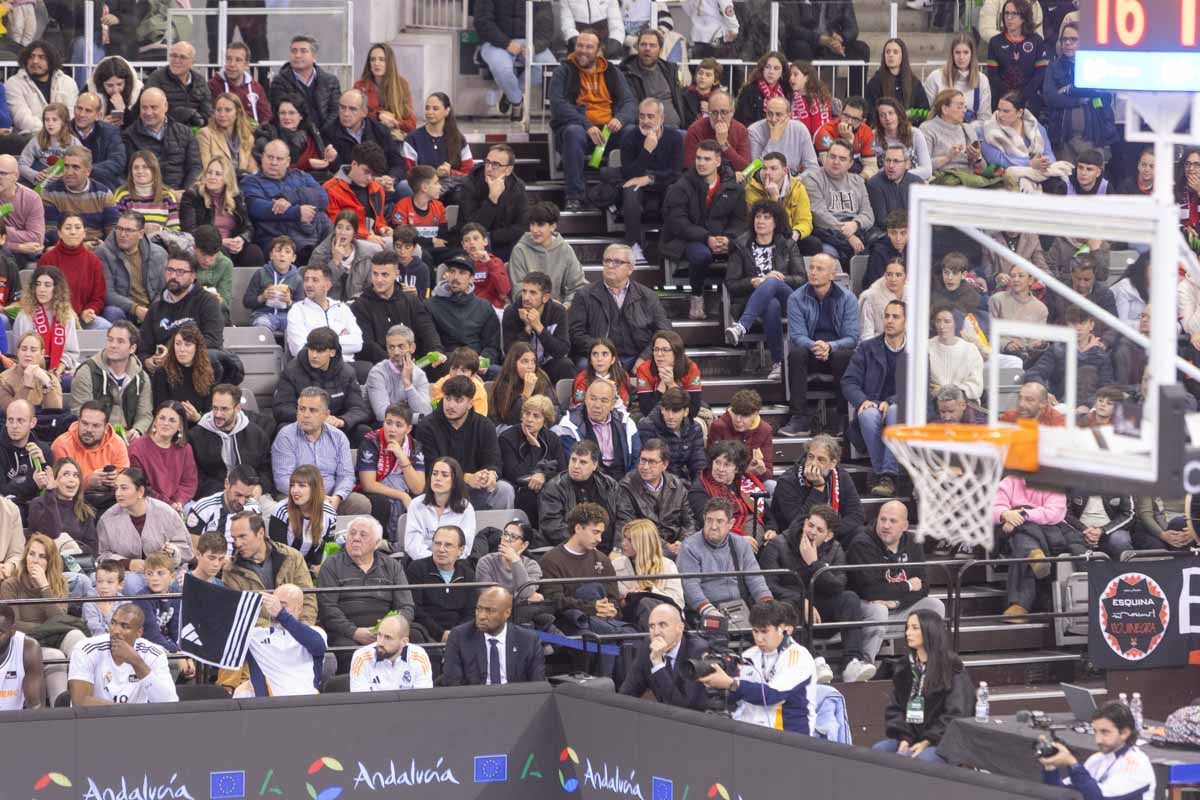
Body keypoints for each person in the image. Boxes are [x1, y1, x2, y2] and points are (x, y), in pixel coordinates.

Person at [761, 505, 877, 682]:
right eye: (810, 525)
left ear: (828, 535)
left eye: (819, 529)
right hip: (790, 609)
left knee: (850, 598)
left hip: (821, 612)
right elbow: (769, 585)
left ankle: (852, 663)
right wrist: (802, 600)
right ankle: (812, 661)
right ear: (805, 523)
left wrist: (814, 563)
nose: (812, 531)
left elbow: (839, 585)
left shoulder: (835, 549)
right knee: (789, 606)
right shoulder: (778, 544)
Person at [697, 599, 817, 735]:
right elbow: (736, 696)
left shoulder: (798, 655)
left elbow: (773, 695)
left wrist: (731, 683)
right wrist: (714, 682)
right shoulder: (749, 654)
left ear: (782, 628)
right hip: (749, 735)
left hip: (788, 738)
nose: (759, 638)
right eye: (755, 631)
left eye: (765, 631)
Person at [848, 501, 946, 667]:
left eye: (893, 521)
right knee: (879, 609)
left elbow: (923, 586)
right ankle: (863, 665)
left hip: (898, 606)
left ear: (905, 525)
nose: (886, 525)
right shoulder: (862, 543)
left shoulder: (913, 544)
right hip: (866, 608)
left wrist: (897, 602)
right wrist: (907, 586)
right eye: (882, 519)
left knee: (935, 606)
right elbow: (871, 591)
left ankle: (928, 663)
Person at [548, 31, 637, 211]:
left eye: (589, 47)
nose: (583, 50)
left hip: (607, 133)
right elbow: (558, 105)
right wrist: (586, 125)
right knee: (574, 131)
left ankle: (627, 192)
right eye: (580, 45)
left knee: (631, 132)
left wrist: (620, 119)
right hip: (578, 131)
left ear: (598, 51)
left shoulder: (612, 71)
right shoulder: (563, 70)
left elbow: (629, 102)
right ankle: (574, 195)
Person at [660, 139, 747, 321]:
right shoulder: (681, 186)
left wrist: (728, 240)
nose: (701, 163)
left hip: (722, 240)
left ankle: (735, 308)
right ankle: (697, 296)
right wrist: (707, 238)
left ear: (718, 161)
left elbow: (739, 222)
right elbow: (678, 223)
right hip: (688, 239)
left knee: (745, 253)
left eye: (707, 159)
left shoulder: (733, 188)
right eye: (698, 158)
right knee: (701, 256)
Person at [874, 609, 975, 762]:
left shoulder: (952, 668)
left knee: (923, 761)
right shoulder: (904, 667)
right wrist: (904, 738)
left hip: (942, 742)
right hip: (910, 737)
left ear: (930, 631)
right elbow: (895, 708)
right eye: (907, 627)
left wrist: (927, 741)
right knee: (878, 752)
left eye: (915, 628)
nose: (908, 633)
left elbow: (956, 714)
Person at [724, 198, 808, 380]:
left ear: (776, 222)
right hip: (752, 300)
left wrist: (781, 278)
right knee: (771, 305)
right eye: (758, 217)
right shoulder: (741, 245)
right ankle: (778, 363)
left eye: (766, 217)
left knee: (771, 282)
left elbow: (802, 280)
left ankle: (741, 327)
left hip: (789, 298)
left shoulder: (787, 244)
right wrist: (752, 282)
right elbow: (731, 284)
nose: (760, 221)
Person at [539, 502, 627, 675]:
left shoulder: (602, 559)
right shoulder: (551, 560)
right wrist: (592, 608)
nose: (600, 539)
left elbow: (613, 597)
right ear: (578, 528)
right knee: (598, 636)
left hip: (605, 620)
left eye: (601, 533)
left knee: (632, 636)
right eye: (595, 532)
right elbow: (554, 600)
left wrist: (610, 609)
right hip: (569, 622)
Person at [780, 253, 859, 437]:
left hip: (835, 352)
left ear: (832, 275)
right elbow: (798, 335)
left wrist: (830, 346)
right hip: (810, 351)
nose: (813, 272)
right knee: (796, 353)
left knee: (844, 355)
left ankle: (843, 416)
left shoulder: (848, 299)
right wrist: (816, 346)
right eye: (812, 268)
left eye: (819, 269)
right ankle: (799, 417)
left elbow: (852, 337)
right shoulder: (796, 298)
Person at [0, 534, 87, 695]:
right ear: (25, 556)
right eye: (31, 554)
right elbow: (14, 625)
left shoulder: (58, 583)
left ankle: (85, 702)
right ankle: (58, 710)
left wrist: (44, 588)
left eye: (42, 556)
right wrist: (50, 628)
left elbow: (61, 620)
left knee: (76, 636)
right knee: (55, 656)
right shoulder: (10, 585)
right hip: (28, 643)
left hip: (56, 636)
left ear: (50, 561)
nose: (35, 560)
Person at [415, 375, 513, 511]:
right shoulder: (427, 426)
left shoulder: (484, 426)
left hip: (477, 487)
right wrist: (466, 478)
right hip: (442, 488)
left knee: (504, 489)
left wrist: (489, 475)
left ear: (470, 403)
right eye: (447, 398)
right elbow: (431, 468)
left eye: (458, 400)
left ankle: (497, 531)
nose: (450, 405)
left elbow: (494, 461)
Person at [271, 387, 372, 517]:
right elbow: (283, 479)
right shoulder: (285, 436)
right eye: (302, 409)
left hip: (331, 497)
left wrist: (337, 497)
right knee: (288, 505)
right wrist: (316, 497)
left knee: (360, 503)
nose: (305, 415)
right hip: (298, 496)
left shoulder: (338, 437)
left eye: (312, 410)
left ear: (326, 415)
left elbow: (346, 476)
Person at [569, 243, 672, 367]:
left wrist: (645, 357)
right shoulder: (584, 295)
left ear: (630, 268)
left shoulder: (647, 296)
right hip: (599, 355)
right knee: (584, 365)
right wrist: (603, 354)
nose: (610, 266)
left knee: (660, 365)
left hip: (636, 355)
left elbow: (664, 331)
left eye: (617, 262)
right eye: (607, 261)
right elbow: (576, 334)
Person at [842, 299, 906, 497]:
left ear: (906, 322)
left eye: (895, 317)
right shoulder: (867, 348)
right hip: (874, 407)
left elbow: (919, 387)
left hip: (903, 410)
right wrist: (862, 400)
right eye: (886, 316)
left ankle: (885, 474)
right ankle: (884, 474)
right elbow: (849, 381)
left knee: (895, 411)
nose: (889, 320)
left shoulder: (916, 351)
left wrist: (893, 400)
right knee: (867, 414)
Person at [273, 326, 371, 446]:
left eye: (319, 351)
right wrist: (313, 419)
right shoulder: (291, 370)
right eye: (311, 349)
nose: (313, 355)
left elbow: (359, 409)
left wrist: (342, 420)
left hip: (334, 426)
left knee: (363, 432)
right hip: (303, 424)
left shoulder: (347, 373)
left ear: (332, 352)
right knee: (283, 429)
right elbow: (281, 408)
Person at [1040, 701, 1157, 800]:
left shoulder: (1138, 764)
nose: (1097, 740)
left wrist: (1072, 764)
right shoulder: (1097, 759)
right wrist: (1050, 766)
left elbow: (1098, 797)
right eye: (1095, 731)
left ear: (1125, 733)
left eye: (1105, 732)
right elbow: (1061, 793)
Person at [678, 497, 774, 619]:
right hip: (704, 611)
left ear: (731, 524)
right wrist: (709, 611)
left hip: (739, 607)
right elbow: (690, 586)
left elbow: (755, 579)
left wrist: (768, 605)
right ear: (704, 519)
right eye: (709, 520)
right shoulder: (689, 547)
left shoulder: (741, 544)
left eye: (719, 521)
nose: (713, 526)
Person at [994, 475, 1074, 618]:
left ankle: (1020, 605)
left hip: (1044, 532)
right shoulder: (1009, 482)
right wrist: (1005, 514)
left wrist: (1023, 515)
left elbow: (1055, 513)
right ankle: (1035, 557)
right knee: (1019, 535)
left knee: (1021, 535)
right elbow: (993, 508)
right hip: (1010, 534)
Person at [67, 604, 177, 705]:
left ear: (139, 632)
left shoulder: (153, 653)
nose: (115, 631)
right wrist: (123, 712)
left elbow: (169, 702)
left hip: (136, 723)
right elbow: (80, 701)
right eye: (113, 623)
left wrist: (137, 663)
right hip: (95, 721)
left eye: (124, 626)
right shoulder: (86, 649)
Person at [242, 139, 332, 262]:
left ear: (288, 161)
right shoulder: (251, 181)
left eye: (279, 159)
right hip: (275, 238)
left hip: (310, 234)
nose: (273, 162)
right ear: (262, 157)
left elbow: (323, 197)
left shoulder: (301, 176)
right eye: (270, 157)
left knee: (327, 222)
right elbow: (257, 208)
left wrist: (290, 198)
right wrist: (297, 212)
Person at [618, 98, 684, 264]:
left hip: (663, 187)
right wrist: (647, 150)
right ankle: (633, 245)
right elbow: (628, 174)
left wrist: (650, 178)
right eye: (641, 116)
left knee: (675, 190)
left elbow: (676, 173)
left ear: (661, 119)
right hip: (638, 189)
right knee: (630, 190)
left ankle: (668, 246)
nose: (645, 121)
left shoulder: (675, 138)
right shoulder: (629, 137)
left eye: (650, 116)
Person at [233, 583, 327, 699]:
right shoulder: (254, 635)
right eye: (273, 604)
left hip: (307, 704)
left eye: (282, 605)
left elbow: (317, 646)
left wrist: (281, 614)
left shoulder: (316, 632)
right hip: (269, 708)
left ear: (299, 608)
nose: (274, 609)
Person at [223, 511, 317, 626]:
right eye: (234, 538)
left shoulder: (293, 557)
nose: (237, 543)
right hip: (258, 638)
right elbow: (239, 612)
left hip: (296, 631)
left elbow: (308, 598)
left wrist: (302, 628)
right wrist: (274, 630)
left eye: (242, 536)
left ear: (260, 533)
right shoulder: (231, 571)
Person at [353, 252, 442, 369]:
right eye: (375, 274)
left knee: (446, 361)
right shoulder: (360, 306)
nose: (379, 280)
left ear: (396, 274)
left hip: (416, 363)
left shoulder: (411, 300)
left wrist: (435, 350)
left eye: (385, 275)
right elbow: (368, 346)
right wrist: (396, 364)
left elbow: (426, 328)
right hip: (382, 366)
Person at [442, 586, 547, 685]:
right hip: (475, 701)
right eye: (479, 609)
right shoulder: (459, 636)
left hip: (514, 700)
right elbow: (453, 683)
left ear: (507, 613)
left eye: (490, 611)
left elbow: (537, 686)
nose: (481, 616)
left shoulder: (528, 640)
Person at [97, 466, 193, 571]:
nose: (118, 493)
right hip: (126, 575)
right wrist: (127, 564)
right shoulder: (107, 519)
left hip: (166, 573)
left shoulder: (166, 513)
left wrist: (174, 552)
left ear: (140, 491)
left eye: (124, 488)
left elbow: (187, 550)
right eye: (116, 488)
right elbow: (102, 555)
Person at [190, 384, 273, 498]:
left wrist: (260, 486)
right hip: (214, 496)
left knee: (276, 512)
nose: (218, 414)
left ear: (237, 408)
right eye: (215, 408)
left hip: (251, 495)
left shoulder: (257, 434)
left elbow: (266, 469)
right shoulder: (196, 436)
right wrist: (226, 492)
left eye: (224, 409)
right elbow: (194, 475)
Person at [619, 603, 708, 710]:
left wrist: (657, 663)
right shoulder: (648, 646)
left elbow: (681, 707)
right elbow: (627, 693)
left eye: (662, 625)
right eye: (652, 626)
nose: (656, 632)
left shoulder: (697, 650)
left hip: (697, 721)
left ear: (679, 628)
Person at [688, 439, 774, 548]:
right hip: (720, 539)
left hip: (754, 534)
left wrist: (772, 529)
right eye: (717, 462)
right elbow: (708, 523)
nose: (720, 469)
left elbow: (767, 513)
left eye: (727, 465)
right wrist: (737, 539)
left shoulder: (746, 483)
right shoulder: (700, 489)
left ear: (737, 468)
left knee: (775, 545)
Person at [614, 437, 695, 553]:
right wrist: (666, 546)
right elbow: (628, 526)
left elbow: (689, 522)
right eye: (643, 460)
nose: (645, 467)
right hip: (644, 548)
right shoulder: (627, 487)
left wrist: (683, 543)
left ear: (665, 465)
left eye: (652, 462)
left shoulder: (677, 485)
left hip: (677, 546)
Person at [180, 156, 262, 267]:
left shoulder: (236, 197)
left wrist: (241, 239)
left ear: (227, 178)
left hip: (232, 247)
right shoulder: (192, 196)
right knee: (220, 252)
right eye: (209, 172)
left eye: (218, 174)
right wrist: (221, 242)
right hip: (206, 248)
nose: (212, 177)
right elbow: (189, 232)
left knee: (254, 252)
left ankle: (250, 284)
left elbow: (248, 227)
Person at [802, 140, 874, 267]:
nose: (836, 162)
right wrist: (848, 235)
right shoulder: (812, 178)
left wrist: (855, 224)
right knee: (828, 260)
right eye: (832, 156)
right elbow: (819, 215)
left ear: (850, 163)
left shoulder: (857, 181)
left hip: (855, 230)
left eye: (842, 159)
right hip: (827, 234)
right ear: (825, 157)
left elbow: (868, 214)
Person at [553, 377, 641, 481]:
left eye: (604, 401)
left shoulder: (627, 424)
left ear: (613, 405)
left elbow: (636, 460)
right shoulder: (569, 426)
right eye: (593, 399)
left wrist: (626, 485)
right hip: (588, 483)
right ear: (585, 399)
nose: (597, 405)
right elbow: (575, 466)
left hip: (623, 482)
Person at [539, 439, 618, 550]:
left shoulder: (609, 485)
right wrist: (582, 542)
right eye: (573, 460)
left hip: (609, 548)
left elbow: (622, 518)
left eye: (583, 462)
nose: (576, 466)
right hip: (573, 548)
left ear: (594, 465)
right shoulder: (555, 487)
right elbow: (552, 526)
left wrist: (617, 548)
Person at [320, 91, 406, 193]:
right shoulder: (329, 132)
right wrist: (372, 180)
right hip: (351, 189)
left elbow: (398, 164)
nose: (346, 114)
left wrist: (390, 179)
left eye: (352, 109)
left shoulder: (380, 131)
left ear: (364, 112)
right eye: (342, 108)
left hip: (383, 186)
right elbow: (340, 171)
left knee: (405, 188)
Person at [498, 394, 563, 526]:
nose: (529, 419)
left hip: (547, 487)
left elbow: (562, 470)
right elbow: (515, 474)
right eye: (527, 414)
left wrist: (543, 475)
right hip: (520, 489)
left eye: (536, 416)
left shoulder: (552, 438)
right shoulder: (507, 438)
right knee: (530, 495)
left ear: (545, 420)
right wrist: (534, 448)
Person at [51, 401, 130, 509]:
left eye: (96, 426)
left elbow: (127, 484)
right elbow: (59, 488)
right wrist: (88, 482)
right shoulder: (61, 445)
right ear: (78, 422)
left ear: (106, 428)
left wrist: (115, 481)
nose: (88, 430)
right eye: (84, 423)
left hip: (110, 499)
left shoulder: (117, 443)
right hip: (74, 501)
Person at [406, 525, 478, 643]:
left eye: (448, 545)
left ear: (460, 550)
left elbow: (471, 612)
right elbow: (416, 610)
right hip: (426, 634)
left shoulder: (468, 574)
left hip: (460, 635)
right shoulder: (417, 569)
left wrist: (455, 635)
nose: (441, 549)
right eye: (437, 543)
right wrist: (440, 634)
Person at [456, 144, 528, 261]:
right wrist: (492, 200)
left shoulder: (517, 187)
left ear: (508, 170)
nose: (489, 168)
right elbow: (473, 228)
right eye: (487, 162)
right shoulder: (470, 184)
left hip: (505, 243)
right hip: (473, 244)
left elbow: (521, 226)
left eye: (495, 165)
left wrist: (490, 236)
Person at [508, 202, 588, 307]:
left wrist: (566, 306)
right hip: (528, 310)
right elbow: (518, 292)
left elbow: (579, 286)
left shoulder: (565, 249)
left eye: (540, 225)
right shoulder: (520, 250)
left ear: (553, 226)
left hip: (560, 311)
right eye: (532, 224)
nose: (535, 230)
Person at [120, 88, 201, 192]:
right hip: (145, 197)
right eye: (144, 108)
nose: (148, 112)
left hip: (180, 195)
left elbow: (195, 167)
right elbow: (126, 172)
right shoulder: (129, 136)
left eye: (153, 107)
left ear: (165, 106)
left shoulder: (185, 133)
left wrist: (186, 193)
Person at [501, 271, 575, 384]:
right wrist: (527, 330)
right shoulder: (511, 312)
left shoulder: (558, 312)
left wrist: (539, 328)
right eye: (524, 291)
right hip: (521, 368)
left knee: (566, 365)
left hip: (547, 365)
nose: (526, 297)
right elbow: (510, 353)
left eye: (533, 293)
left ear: (545, 297)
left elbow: (562, 350)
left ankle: (565, 401)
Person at [428, 258, 502, 370]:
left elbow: (492, 346)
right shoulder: (431, 305)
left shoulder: (484, 307)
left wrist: (484, 361)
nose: (455, 277)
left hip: (476, 364)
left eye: (462, 273)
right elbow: (431, 343)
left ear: (472, 279)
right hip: (446, 363)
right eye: (452, 271)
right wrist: (439, 356)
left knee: (499, 373)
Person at [38, 215, 109, 331]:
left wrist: (91, 310)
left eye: (77, 227)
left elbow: (99, 296)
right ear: (59, 233)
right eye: (68, 228)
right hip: (55, 316)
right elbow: (42, 294)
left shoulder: (93, 261)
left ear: (84, 233)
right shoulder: (47, 259)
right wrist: (66, 311)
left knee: (105, 327)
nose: (73, 232)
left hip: (83, 318)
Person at [96, 211, 166, 326]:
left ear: (141, 234)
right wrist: (136, 309)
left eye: (129, 230)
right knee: (112, 312)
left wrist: (153, 310)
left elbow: (164, 290)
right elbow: (108, 294)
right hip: (125, 310)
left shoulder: (159, 253)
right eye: (119, 228)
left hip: (152, 308)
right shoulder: (103, 253)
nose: (122, 234)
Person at [401, 93, 474, 202]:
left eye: (435, 109)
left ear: (447, 111)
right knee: (403, 186)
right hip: (422, 187)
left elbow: (469, 173)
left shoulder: (459, 139)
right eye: (427, 108)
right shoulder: (412, 139)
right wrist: (434, 176)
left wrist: (450, 173)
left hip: (451, 186)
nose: (430, 112)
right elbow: (408, 172)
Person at [284, 263, 363, 363]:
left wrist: (317, 344)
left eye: (315, 280)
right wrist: (339, 340)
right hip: (313, 367)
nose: (308, 284)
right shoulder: (297, 310)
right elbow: (299, 349)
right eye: (306, 279)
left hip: (345, 365)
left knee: (365, 368)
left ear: (327, 285)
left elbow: (357, 343)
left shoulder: (342, 308)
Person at [127, 401, 197, 512]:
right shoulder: (137, 448)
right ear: (155, 421)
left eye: (172, 420)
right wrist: (168, 505)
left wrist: (179, 501)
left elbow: (188, 482)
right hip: (147, 503)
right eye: (162, 418)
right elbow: (141, 486)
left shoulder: (185, 449)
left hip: (177, 504)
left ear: (180, 426)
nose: (166, 423)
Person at [403, 457, 477, 560]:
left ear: (455, 481)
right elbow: (412, 545)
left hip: (454, 564)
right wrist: (435, 560)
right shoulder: (416, 504)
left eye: (444, 475)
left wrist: (447, 561)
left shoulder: (466, 508)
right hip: (421, 563)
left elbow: (465, 547)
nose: (438, 478)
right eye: (435, 473)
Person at [269, 464, 337, 573]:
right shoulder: (281, 511)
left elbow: (325, 548)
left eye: (301, 485)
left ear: (315, 488)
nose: (295, 490)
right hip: (284, 569)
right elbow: (278, 552)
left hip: (312, 569)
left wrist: (320, 568)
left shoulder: (329, 514)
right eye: (292, 485)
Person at [268, 35, 343, 132]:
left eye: (303, 51)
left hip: (327, 135)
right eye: (294, 51)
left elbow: (335, 112)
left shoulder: (331, 81)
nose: (297, 55)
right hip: (294, 136)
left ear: (314, 56)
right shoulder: (279, 83)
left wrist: (321, 135)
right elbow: (281, 114)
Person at [985, 0, 1049, 114]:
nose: (1009, 17)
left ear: (1024, 17)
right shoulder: (995, 42)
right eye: (1006, 13)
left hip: (1029, 100)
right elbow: (993, 76)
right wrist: (1009, 97)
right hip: (1002, 99)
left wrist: (1023, 96)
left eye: (1014, 14)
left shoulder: (1036, 41)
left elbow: (1040, 74)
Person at [6, 40, 78, 138]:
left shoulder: (67, 82)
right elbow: (22, 118)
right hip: (31, 137)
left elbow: (71, 114)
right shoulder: (14, 83)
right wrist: (51, 133)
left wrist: (60, 134)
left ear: (51, 60)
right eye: (31, 57)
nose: (35, 61)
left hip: (65, 136)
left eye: (41, 57)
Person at [149, 323, 219, 423]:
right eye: (178, 343)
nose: (181, 349)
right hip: (171, 427)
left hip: (200, 428)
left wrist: (198, 418)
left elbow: (211, 412)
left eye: (187, 344)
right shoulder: (162, 373)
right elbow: (158, 409)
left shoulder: (209, 371)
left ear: (197, 348)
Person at [183, 464, 261, 553]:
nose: (242, 501)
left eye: (247, 496)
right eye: (238, 495)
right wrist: (220, 562)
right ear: (227, 484)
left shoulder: (254, 509)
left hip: (243, 564)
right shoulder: (203, 509)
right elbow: (192, 550)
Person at [252, 96, 335, 179]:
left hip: (316, 181)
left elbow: (325, 164)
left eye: (291, 113)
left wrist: (329, 158)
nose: (286, 117)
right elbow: (269, 170)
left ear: (301, 116)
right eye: (282, 113)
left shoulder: (312, 132)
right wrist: (306, 164)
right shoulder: (266, 137)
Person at [620, 30, 686, 131]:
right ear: (637, 47)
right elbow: (631, 107)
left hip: (676, 129)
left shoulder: (669, 70)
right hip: (647, 130)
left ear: (660, 49)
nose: (647, 48)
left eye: (652, 45)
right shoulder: (627, 73)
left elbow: (680, 99)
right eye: (643, 45)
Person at [637, 386, 705, 482]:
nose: (670, 416)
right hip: (655, 481)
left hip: (683, 482)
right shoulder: (647, 426)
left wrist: (696, 489)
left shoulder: (694, 428)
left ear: (685, 412)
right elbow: (650, 466)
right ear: (662, 409)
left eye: (675, 411)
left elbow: (698, 464)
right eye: (667, 410)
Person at [349, 614, 432, 691]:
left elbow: (423, 700)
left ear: (403, 642)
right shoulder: (361, 658)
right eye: (379, 635)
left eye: (388, 638)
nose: (380, 642)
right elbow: (361, 703)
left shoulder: (419, 657)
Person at [923, 34, 992, 125]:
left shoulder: (982, 80)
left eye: (966, 52)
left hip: (971, 131)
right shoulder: (935, 77)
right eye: (958, 52)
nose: (961, 57)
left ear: (972, 55)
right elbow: (929, 114)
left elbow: (985, 118)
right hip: (941, 130)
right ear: (952, 54)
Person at [0, 399, 54, 516]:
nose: (14, 426)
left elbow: (50, 489)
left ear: (32, 423)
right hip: (6, 512)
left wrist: (43, 464)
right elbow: (2, 491)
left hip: (37, 511)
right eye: (10, 420)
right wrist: (32, 484)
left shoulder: (43, 450)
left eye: (20, 421)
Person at [707, 389, 775, 481]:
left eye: (744, 415)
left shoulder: (765, 430)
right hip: (724, 482)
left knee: (771, 485)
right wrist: (745, 474)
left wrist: (762, 471)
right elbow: (711, 467)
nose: (738, 420)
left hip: (753, 482)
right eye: (735, 413)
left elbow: (769, 474)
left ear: (755, 414)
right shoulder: (719, 426)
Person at [989, 265, 1049, 365]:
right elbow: (988, 334)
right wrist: (1006, 345)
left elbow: (1038, 340)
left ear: (1030, 280)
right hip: (1000, 355)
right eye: (1012, 276)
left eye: (1021, 276)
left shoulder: (1041, 308)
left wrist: (1039, 344)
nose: (1016, 279)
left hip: (1027, 358)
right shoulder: (997, 299)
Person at [143, 41, 212, 128]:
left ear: (192, 62)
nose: (176, 60)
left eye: (182, 57)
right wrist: (181, 113)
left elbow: (207, 111)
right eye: (173, 56)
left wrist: (199, 119)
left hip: (195, 131)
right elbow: (149, 112)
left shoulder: (200, 80)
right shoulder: (156, 78)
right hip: (165, 130)